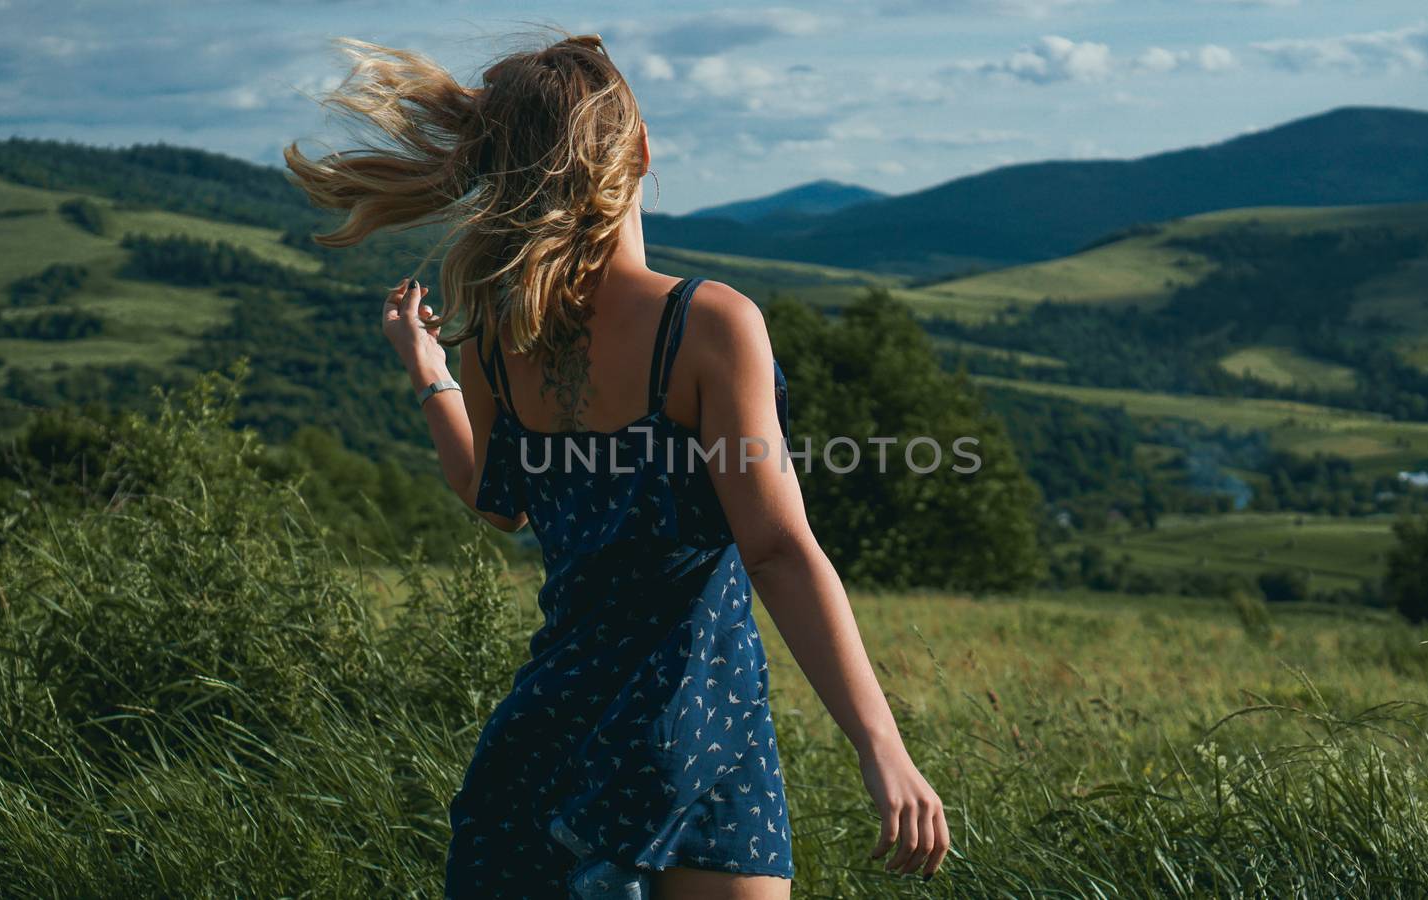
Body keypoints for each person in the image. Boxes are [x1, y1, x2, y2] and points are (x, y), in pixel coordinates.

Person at [283, 29, 947, 900]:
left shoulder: (494, 343)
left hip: (547, 736)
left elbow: (497, 503)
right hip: (700, 734)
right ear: (637, 149)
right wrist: (881, 746)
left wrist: (431, 374)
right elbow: (777, 550)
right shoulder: (707, 325)